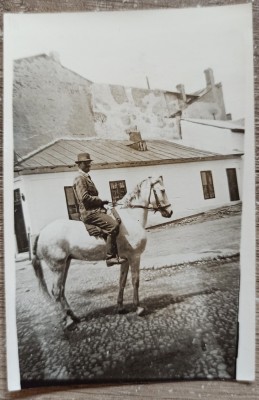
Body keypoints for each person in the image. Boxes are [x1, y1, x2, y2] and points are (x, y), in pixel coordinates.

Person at [73, 152, 127, 267]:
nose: (89, 165)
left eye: (89, 163)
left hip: (95, 210)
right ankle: (110, 257)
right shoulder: (80, 178)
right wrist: (101, 200)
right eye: (86, 163)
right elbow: (84, 198)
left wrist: (104, 203)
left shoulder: (86, 177)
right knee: (113, 225)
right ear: (80, 164)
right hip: (89, 213)